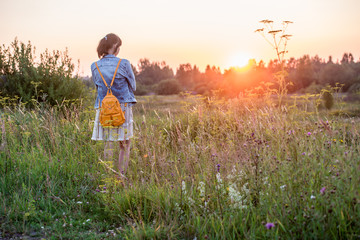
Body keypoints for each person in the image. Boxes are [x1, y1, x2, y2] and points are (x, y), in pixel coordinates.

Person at [90, 33, 136, 176]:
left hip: (104, 108)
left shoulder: (95, 66)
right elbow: (133, 86)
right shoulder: (124, 63)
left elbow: (98, 88)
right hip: (121, 108)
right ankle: (121, 176)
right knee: (124, 144)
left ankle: (108, 178)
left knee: (108, 143)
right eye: (119, 46)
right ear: (115, 46)